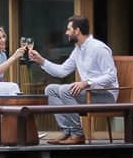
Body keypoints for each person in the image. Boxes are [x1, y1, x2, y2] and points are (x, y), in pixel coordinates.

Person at [22, 14, 117, 146]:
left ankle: (77, 134)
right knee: (51, 90)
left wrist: (86, 83)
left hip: (106, 95)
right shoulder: (78, 50)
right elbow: (62, 71)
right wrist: (41, 61)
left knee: (66, 90)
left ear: (77, 30)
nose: (66, 33)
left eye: (69, 29)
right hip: (89, 93)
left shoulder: (99, 48)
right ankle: (67, 131)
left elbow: (111, 76)